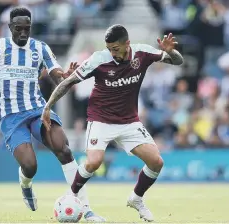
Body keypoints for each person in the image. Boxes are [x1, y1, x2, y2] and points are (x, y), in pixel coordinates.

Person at [0, 7, 104, 222]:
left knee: (64, 149)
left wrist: (67, 78)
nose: (23, 33)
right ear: (10, 27)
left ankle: (86, 209)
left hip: (37, 109)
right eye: (18, 29)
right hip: (11, 116)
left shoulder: (40, 48)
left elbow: (57, 78)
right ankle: (25, 184)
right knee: (30, 166)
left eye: (27, 29)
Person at [42, 24, 184, 222]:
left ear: (127, 43)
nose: (112, 53)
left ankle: (136, 198)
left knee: (156, 162)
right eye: (109, 48)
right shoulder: (99, 59)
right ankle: (71, 196)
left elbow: (178, 61)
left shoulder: (143, 53)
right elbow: (68, 82)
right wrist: (48, 106)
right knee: (93, 162)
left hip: (129, 121)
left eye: (115, 49)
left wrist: (171, 51)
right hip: (100, 119)